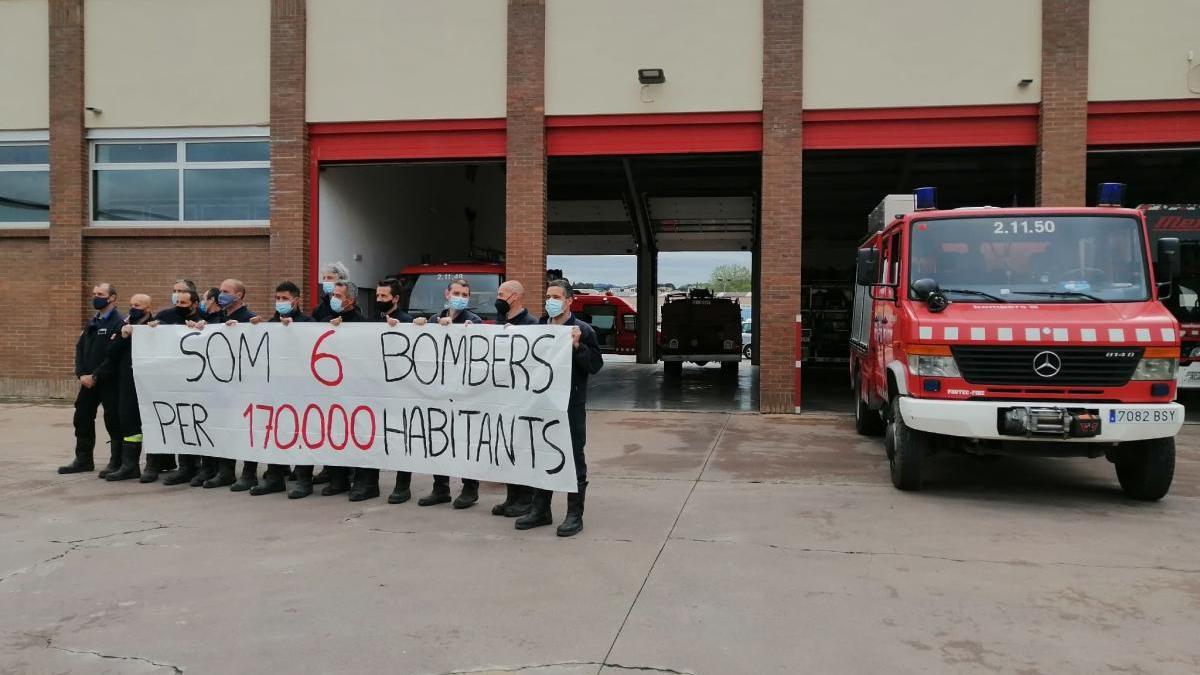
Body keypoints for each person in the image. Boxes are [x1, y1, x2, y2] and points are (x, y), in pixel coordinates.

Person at [517, 279, 603, 537]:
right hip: (541, 405)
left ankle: (574, 514)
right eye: (548, 296)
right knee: (543, 454)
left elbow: (595, 365)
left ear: (569, 301)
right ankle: (540, 509)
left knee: (573, 456)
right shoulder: (538, 328)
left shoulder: (582, 330)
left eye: (556, 297)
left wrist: (579, 347)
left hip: (570, 405)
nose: (550, 301)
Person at [415, 277, 483, 509]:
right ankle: (440, 487)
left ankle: (469, 488)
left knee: (465, 439)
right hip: (439, 391)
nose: (460, 298)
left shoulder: (473, 320)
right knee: (438, 437)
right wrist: (419, 327)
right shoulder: (435, 319)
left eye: (465, 295)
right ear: (447, 294)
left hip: (463, 391)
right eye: (457, 293)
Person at [187, 279, 256, 489]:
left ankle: (249, 473)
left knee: (245, 429)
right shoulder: (217, 317)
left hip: (242, 385)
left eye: (226, 291)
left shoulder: (249, 318)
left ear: (239, 295)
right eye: (221, 291)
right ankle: (223, 471)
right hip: (219, 383)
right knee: (221, 426)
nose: (221, 295)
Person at [245, 282, 312, 496]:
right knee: (274, 431)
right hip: (274, 388)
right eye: (278, 298)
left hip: (300, 389)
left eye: (284, 298)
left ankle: (304, 480)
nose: (280, 302)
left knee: (301, 433)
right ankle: (274, 477)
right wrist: (253, 328)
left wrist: (295, 330)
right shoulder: (270, 324)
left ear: (296, 300)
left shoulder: (308, 323)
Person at [299, 280, 364, 498]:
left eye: (338, 295)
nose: (333, 298)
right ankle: (336, 477)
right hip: (326, 388)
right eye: (333, 294)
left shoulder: (363, 324)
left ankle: (351, 478)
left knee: (348, 433)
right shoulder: (324, 321)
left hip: (351, 390)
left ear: (350, 300)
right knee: (330, 433)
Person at [354, 278, 415, 504]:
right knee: (372, 437)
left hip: (400, 391)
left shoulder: (407, 321)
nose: (379, 300)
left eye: (383, 296)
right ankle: (370, 483)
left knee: (400, 438)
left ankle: (402, 486)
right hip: (375, 390)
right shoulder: (371, 320)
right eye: (377, 296)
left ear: (396, 299)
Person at [59, 283, 125, 476]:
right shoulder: (93, 321)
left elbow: (114, 355)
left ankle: (117, 462)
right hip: (87, 381)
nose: (96, 297)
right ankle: (83, 459)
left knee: (113, 420)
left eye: (100, 294)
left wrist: (96, 375)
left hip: (109, 380)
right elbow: (80, 348)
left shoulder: (119, 322)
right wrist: (82, 374)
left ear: (112, 298)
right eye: (94, 294)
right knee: (82, 417)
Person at [490, 280, 538, 518]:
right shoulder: (500, 321)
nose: (498, 298)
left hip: (523, 398)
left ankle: (525, 498)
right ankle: (512, 497)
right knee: (507, 448)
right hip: (503, 398)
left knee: (522, 448)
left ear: (515, 297)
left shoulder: (532, 325)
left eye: (502, 294)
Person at [93, 294, 154, 481]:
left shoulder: (155, 326)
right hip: (126, 381)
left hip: (148, 383)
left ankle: (154, 465)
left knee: (149, 423)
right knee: (126, 419)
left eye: (138, 305)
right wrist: (123, 335)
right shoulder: (124, 324)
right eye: (131, 304)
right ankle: (129, 465)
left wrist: (151, 332)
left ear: (148, 308)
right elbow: (111, 351)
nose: (133, 308)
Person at [152, 290, 202, 485]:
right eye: (177, 301)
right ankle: (184, 466)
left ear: (194, 304)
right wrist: (153, 329)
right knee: (179, 422)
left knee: (193, 422)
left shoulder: (203, 320)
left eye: (184, 302)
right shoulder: (165, 316)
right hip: (171, 379)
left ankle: (195, 466)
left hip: (194, 379)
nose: (180, 305)